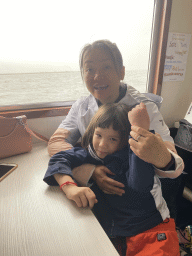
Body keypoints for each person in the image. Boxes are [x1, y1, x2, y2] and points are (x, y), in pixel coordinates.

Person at [47, 39, 184, 197]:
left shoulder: (143, 108)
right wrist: (90, 169)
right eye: (89, 69)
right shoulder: (81, 106)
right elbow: (56, 143)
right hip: (96, 195)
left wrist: (163, 158)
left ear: (121, 72)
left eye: (106, 67)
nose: (97, 76)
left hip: (137, 198)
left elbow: (176, 166)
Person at [44, 103, 180, 256]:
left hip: (152, 229)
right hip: (116, 234)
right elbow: (58, 159)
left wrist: (140, 131)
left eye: (113, 139)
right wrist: (69, 187)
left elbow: (139, 185)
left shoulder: (135, 157)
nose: (102, 144)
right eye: (99, 135)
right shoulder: (90, 154)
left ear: (124, 140)